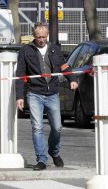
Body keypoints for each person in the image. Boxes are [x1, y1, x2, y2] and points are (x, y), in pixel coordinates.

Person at [15, 22, 78, 170]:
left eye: (43, 37)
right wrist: (20, 96)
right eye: (38, 37)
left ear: (47, 35)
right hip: (34, 93)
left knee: (57, 127)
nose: (41, 40)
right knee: (37, 127)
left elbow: (64, 67)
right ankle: (41, 160)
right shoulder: (25, 51)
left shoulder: (55, 49)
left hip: (52, 93)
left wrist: (72, 79)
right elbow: (20, 75)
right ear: (34, 36)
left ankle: (54, 152)